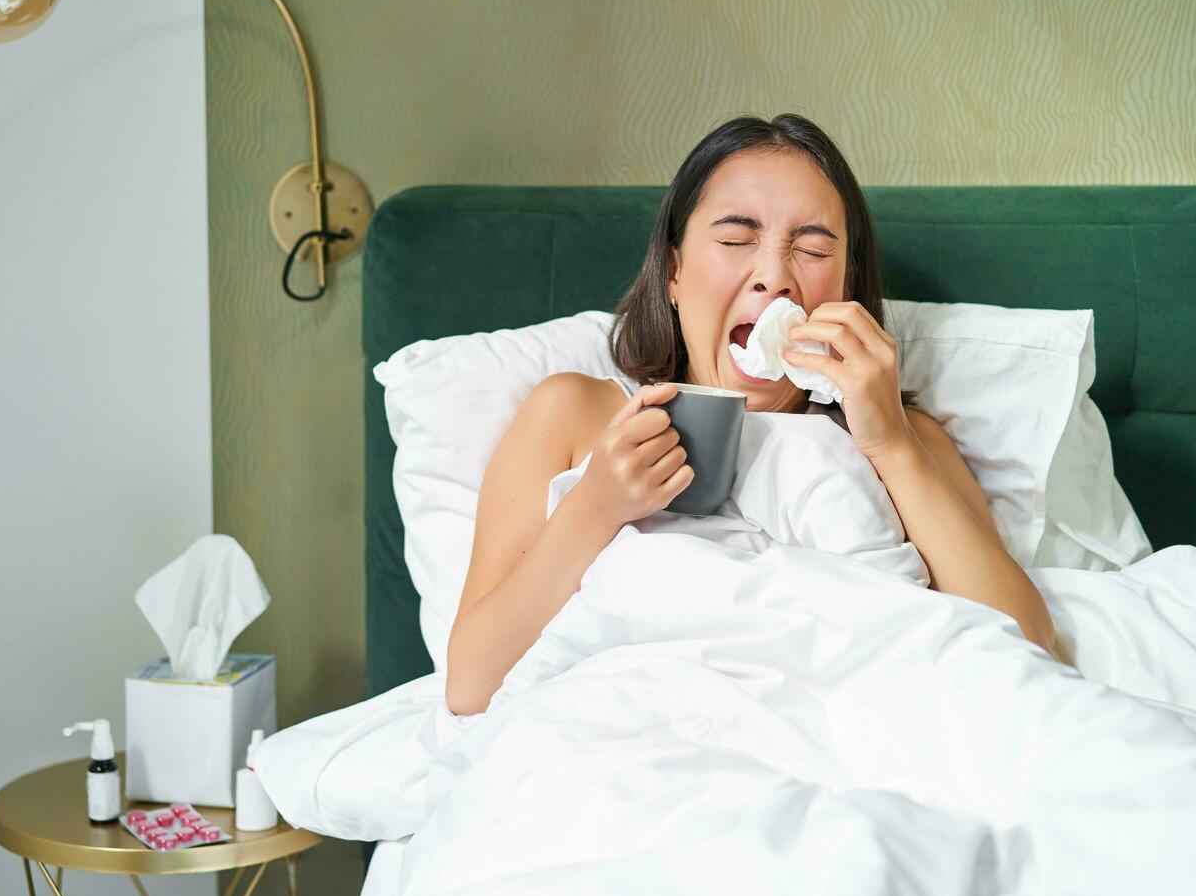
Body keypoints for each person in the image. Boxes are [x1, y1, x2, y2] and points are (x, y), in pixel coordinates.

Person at [445, 114, 1055, 716]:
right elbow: (470, 685)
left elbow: (1023, 644)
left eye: (812, 250)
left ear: (847, 285)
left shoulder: (902, 438)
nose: (775, 278)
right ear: (674, 271)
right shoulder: (576, 413)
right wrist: (596, 507)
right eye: (736, 240)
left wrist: (890, 441)